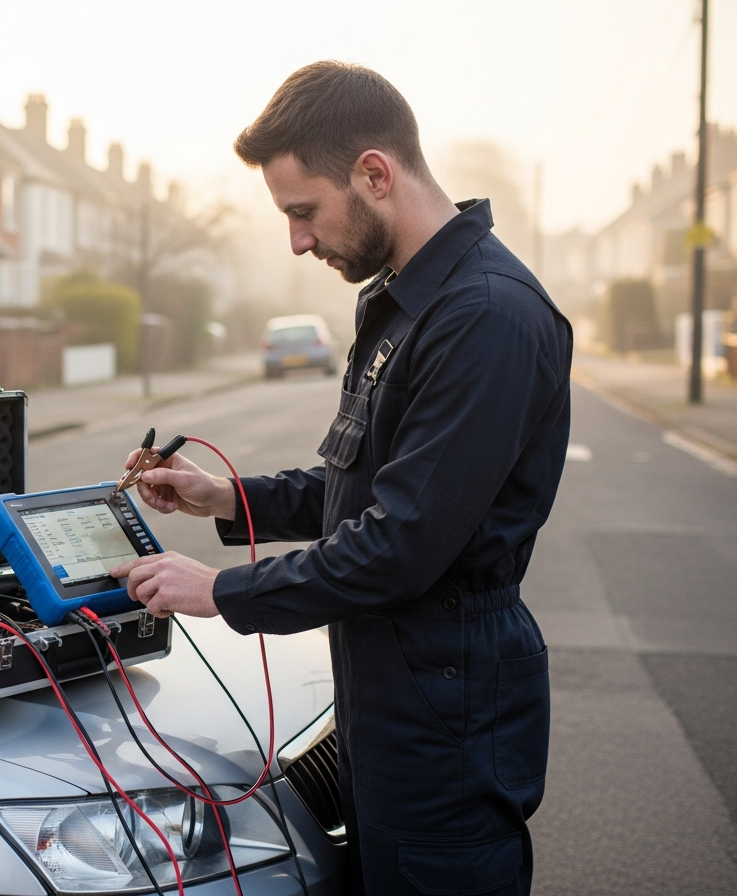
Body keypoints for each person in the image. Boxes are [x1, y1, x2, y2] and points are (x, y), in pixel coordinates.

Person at [109, 62, 571, 896]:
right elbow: (360, 486)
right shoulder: (400, 300)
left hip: (448, 697)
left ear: (374, 174)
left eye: (302, 212)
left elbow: (399, 544)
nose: (296, 240)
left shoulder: (487, 316)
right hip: (392, 682)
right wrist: (227, 496)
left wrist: (222, 590)